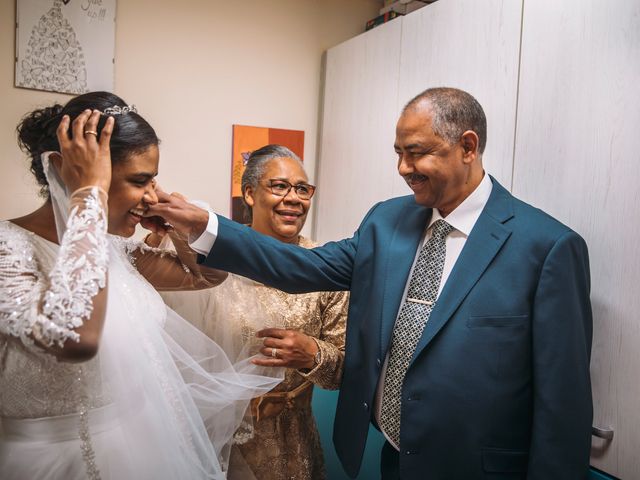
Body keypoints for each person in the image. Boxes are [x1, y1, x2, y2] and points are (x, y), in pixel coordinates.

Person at [145, 87, 593, 479]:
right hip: (394, 460)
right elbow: (300, 267)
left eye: (416, 152)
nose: (402, 167)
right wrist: (205, 225)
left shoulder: (546, 248)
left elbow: (562, 404)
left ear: (468, 146)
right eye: (397, 152)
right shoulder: (387, 222)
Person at [0, 92, 281, 480]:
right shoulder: (7, 249)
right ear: (71, 172)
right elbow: (73, 334)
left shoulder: (115, 249)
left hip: (136, 446)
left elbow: (205, 276)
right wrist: (90, 198)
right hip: (45, 463)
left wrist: (181, 229)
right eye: (139, 180)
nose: (152, 195)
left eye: (153, 180)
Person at [159, 144, 348, 480]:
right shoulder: (213, 259)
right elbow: (175, 356)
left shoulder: (325, 266)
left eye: (303, 189)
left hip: (297, 443)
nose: (294, 198)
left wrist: (312, 353)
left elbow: (343, 372)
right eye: (279, 186)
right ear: (249, 193)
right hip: (225, 441)